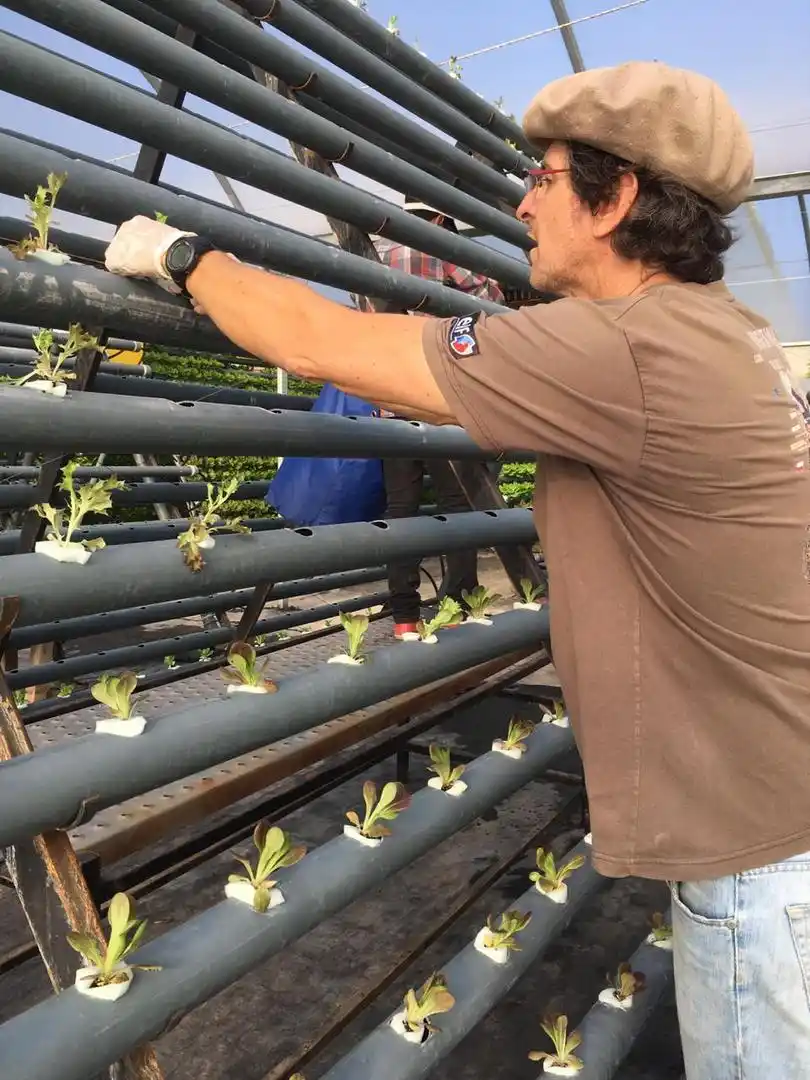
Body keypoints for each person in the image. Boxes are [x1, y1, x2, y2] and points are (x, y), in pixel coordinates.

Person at [105, 61, 810, 1078]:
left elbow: (319, 341)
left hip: (759, 872)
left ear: (612, 202)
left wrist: (182, 255)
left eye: (548, 177)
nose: (523, 200)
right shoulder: (728, 336)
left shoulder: (616, 349)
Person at [371, 195, 505, 637]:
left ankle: (404, 616)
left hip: (391, 404)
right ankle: (458, 603)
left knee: (401, 509)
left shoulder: (378, 250)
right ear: (441, 215)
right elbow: (490, 300)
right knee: (457, 506)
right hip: (439, 400)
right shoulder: (443, 249)